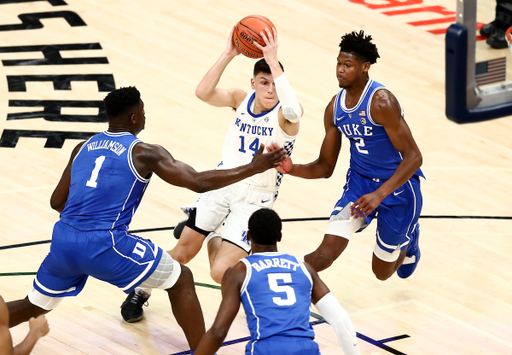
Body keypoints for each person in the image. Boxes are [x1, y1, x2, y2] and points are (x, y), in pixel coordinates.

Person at [4, 86, 286, 353]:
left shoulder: (82, 147)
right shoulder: (144, 152)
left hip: (64, 240)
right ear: (134, 117)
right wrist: (253, 166)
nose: (145, 116)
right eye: (143, 111)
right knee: (182, 279)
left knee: (34, 305)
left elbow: (57, 202)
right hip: (106, 243)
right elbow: (197, 182)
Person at [121, 26, 303, 322]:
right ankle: (142, 290)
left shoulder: (286, 114)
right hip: (223, 185)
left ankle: (212, 234)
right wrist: (228, 53)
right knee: (181, 253)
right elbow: (202, 92)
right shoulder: (240, 98)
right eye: (264, 82)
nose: (270, 89)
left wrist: (272, 60)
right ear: (253, 83)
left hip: (254, 200)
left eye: (274, 83)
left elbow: (294, 110)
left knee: (220, 272)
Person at [268, 30, 424, 281]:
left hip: (397, 190)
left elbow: (414, 157)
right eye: (339, 63)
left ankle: (410, 238)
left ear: (365, 67)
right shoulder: (334, 108)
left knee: (383, 273)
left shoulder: (381, 102)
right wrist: (291, 167)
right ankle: (284, 281)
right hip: (359, 187)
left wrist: (379, 194)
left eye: (348, 65)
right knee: (324, 254)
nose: (340, 70)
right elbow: (325, 166)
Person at [193, 208, 360, 355]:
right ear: (279, 236)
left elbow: (218, 332)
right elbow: (340, 320)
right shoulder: (304, 268)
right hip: (306, 349)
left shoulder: (239, 272)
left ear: (248, 235)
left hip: (266, 349)